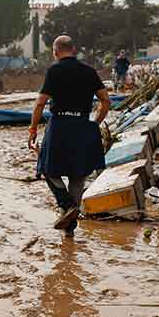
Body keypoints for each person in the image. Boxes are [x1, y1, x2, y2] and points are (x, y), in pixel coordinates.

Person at [28, 35, 110, 236]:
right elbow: (106, 101)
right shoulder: (89, 72)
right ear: (74, 50)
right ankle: (69, 231)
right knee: (77, 174)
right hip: (82, 124)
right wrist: (94, 123)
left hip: (59, 126)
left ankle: (66, 204)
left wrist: (32, 129)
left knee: (47, 168)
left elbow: (40, 103)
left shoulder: (54, 71)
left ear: (55, 52)